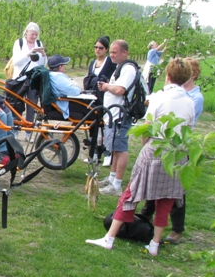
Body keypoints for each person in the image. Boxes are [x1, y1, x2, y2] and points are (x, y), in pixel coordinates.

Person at [86, 58, 195, 256]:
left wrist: (146, 146)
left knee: (131, 193)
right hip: (177, 153)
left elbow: (148, 127)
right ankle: (154, 243)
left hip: (156, 148)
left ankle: (109, 238)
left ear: (168, 76)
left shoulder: (159, 98)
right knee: (167, 198)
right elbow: (188, 128)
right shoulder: (189, 101)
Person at [140, 57, 204, 244]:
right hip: (163, 143)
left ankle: (177, 228)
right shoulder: (178, 94)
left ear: (193, 74)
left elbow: (184, 121)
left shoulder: (194, 98)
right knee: (156, 179)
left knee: (176, 189)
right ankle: (146, 213)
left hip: (177, 145)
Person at [97, 40, 137, 196]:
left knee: (120, 149)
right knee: (114, 148)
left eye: (114, 52)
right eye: (111, 52)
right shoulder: (120, 68)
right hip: (113, 115)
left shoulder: (128, 69)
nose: (111, 55)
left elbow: (120, 90)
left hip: (120, 115)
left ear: (124, 52)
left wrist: (106, 87)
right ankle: (112, 178)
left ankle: (117, 185)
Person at [10, 22, 47, 138]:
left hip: (33, 80)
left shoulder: (39, 43)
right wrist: (29, 53)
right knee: (17, 105)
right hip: (20, 79)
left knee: (32, 106)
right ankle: (15, 130)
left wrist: (43, 54)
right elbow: (16, 62)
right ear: (26, 33)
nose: (34, 37)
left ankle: (29, 132)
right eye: (32, 34)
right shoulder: (19, 43)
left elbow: (42, 64)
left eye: (36, 35)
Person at [85, 36, 117, 166]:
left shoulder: (110, 63)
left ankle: (107, 153)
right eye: (96, 47)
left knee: (105, 125)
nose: (98, 50)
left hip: (105, 96)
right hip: (93, 96)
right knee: (93, 124)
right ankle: (93, 153)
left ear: (106, 49)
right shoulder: (93, 63)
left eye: (101, 48)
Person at [47, 54, 82, 119]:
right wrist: (80, 90)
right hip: (63, 104)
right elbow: (71, 91)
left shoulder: (51, 75)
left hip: (58, 102)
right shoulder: (57, 77)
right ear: (60, 67)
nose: (65, 67)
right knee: (94, 111)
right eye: (64, 65)